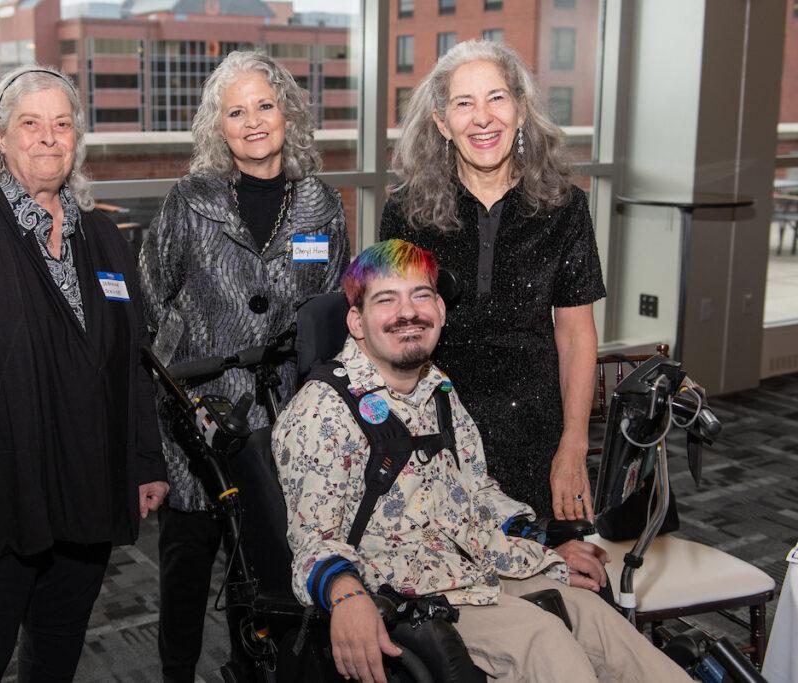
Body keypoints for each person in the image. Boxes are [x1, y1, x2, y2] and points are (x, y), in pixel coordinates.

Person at [272, 239, 691, 683]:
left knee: (597, 620)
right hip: (408, 591)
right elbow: (312, 541)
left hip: (477, 560)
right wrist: (345, 594)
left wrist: (539, 541)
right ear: (357, 321)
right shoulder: (322, 411)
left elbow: (476, 489)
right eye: (387, 300)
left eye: (421, 295)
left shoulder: (438, 389)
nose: (408, 312)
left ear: (440, 310)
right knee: (544, 640)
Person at [0, 65, 168, 681]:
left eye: (62, 124)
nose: (48, 137)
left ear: (77, 139)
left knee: (57, 655)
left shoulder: (104, 237)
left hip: (86, 493)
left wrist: (145, 460)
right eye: (30, 123)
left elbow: (132, 360)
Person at [139, 50, 350, 682]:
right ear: (218, 126)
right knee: (186, 566)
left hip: (281, 423)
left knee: (262, 572)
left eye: (264, 105)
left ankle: (251, 671)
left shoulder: (321, 205)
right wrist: (168, 400)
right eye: (236, 112)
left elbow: (333, 318)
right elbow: (148, 303)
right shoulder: (190, 201)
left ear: (288, 114)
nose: (253, 121)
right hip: (197, 425)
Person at [379, 39, 605, 522]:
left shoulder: (565, 207)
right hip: (432, 433)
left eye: (496, 98)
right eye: (464, 103)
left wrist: (573, 445)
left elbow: (576, 334)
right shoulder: (406, 210)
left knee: (549, 563)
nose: (483, 118)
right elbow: (388, 334)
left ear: (520, 109)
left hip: (535, 431)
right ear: (442, 122)